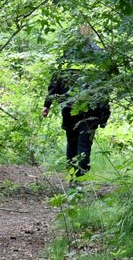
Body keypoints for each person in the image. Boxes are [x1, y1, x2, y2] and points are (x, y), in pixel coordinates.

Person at [42, 25, 111, 181]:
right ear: (92, 35)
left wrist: (47, 105)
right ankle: (79, 178)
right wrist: (105, 112)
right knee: (84, 143)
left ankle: (72, 176)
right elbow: (105, 87)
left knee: (72, 141)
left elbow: (56, 82)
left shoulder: (68, 53)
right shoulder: (100, 54)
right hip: (92, 108)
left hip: (69, 106)